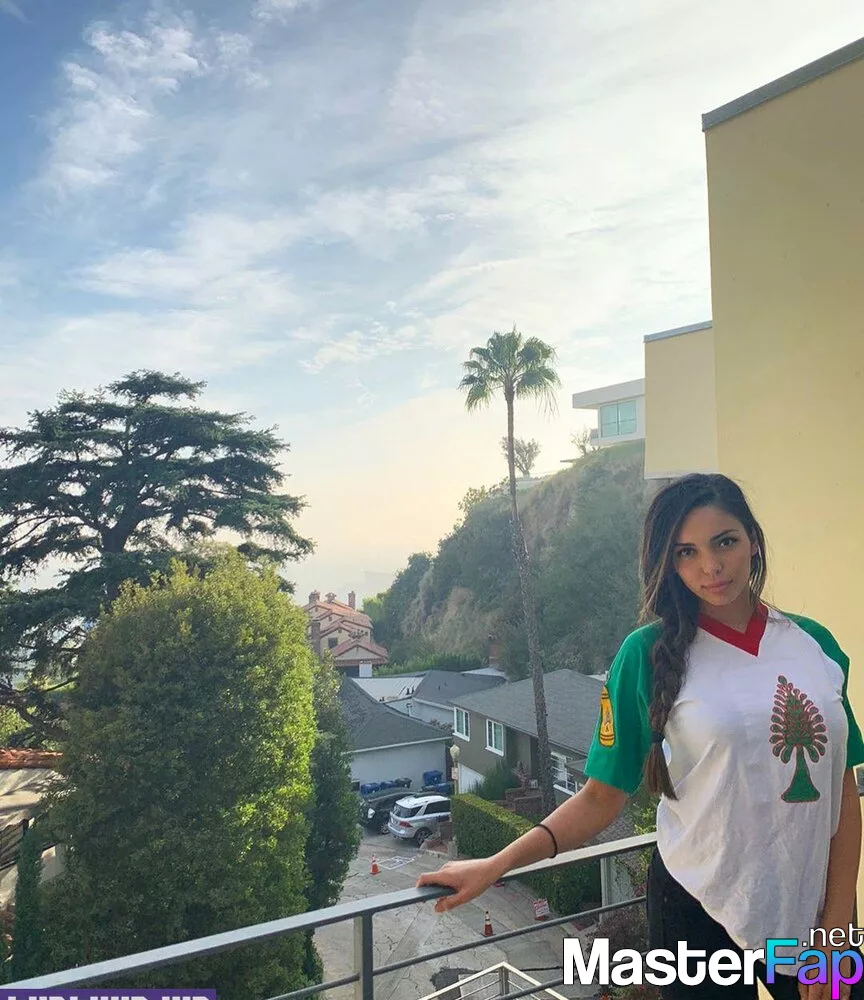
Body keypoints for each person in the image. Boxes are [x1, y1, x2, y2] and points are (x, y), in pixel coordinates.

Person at [417, 473, 864, 999]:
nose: (711, 566)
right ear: (667, 564)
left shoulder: (814, 645)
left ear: (752, 540)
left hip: (817, 900)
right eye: (686, 552)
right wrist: (497, 865)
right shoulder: (644, 655)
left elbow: (842, 791)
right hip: (697, 905)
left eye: (725, 541)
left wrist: (836, 927)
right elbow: (600, 798)